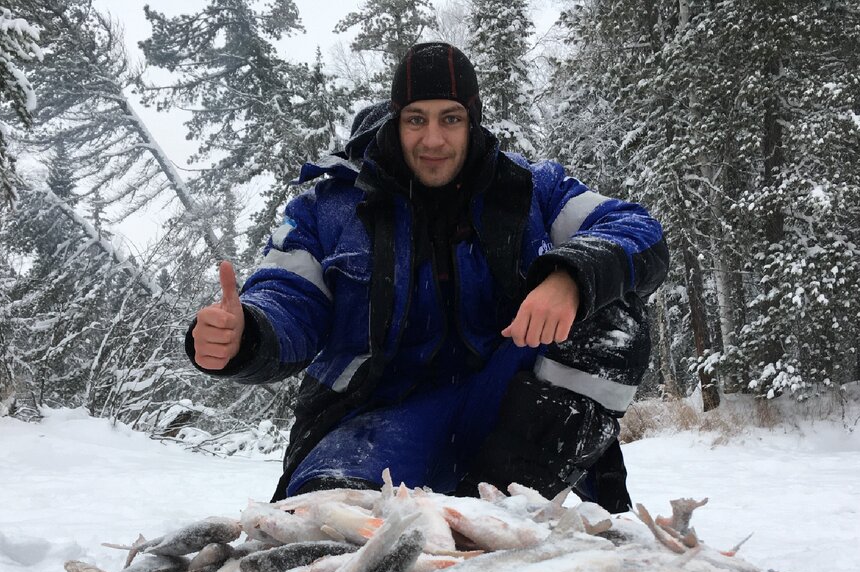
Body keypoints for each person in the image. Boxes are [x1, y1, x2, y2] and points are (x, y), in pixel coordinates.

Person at [186, 42, 668, 511]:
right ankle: (418, 502)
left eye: (450, 119)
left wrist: (568, 277)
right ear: (396, 121)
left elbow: (637, 229)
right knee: (327, 523)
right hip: (378, 416)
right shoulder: (327, 209)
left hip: (512, 411)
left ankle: (510, 501)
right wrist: (246, 334)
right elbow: (288, 298)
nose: (433, 139)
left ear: (472, 119)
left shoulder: (532, 189)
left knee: (611, 304)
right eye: (417, 119)